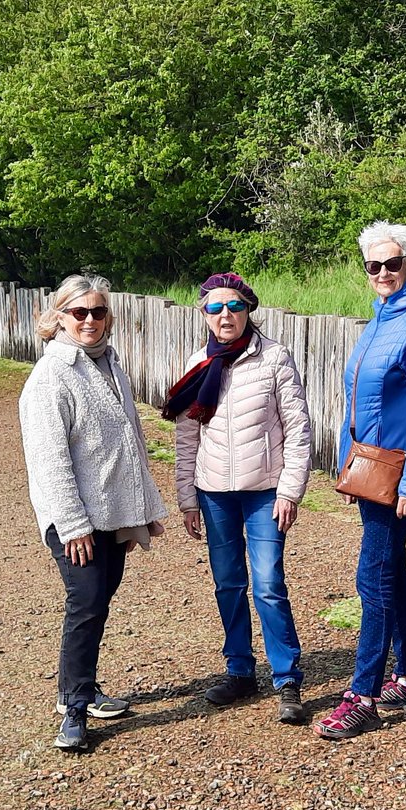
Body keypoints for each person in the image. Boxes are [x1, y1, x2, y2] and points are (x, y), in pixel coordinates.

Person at [313, 221, 406, 741]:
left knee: (372, 578)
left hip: (395, 473)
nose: (384, 272)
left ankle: (362, 695)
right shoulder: (381, 317)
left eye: (393, 263)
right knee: (392, 570)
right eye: (374, 265)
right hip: (369, 469)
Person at [19, 274, 167, 751]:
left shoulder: (109, 365)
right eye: (78, 312)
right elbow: (49, 460)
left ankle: (78, 689)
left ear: (108, 317)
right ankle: (75, 710)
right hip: (76, 520)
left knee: (98, 601)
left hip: (114, 512)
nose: (88, 320)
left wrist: (143, 508)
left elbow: (129, 442)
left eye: (97, 312)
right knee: (84, 604)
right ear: (58, 316)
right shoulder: (50, 377)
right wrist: (73, 526)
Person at [163, 273, 312, 725]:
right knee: (228, 583)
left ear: (249, 309)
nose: (224, 315)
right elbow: (187, 437)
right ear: (203, 313)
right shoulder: (198, 364)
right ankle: (240, 671)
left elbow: (298, 430)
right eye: (214, 308)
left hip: (265, 491)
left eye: (233, 307)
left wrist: (290, 489)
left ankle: (286, 679)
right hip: (213, 494)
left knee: (268, 584)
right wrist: (187, 497)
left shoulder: (275, 359)